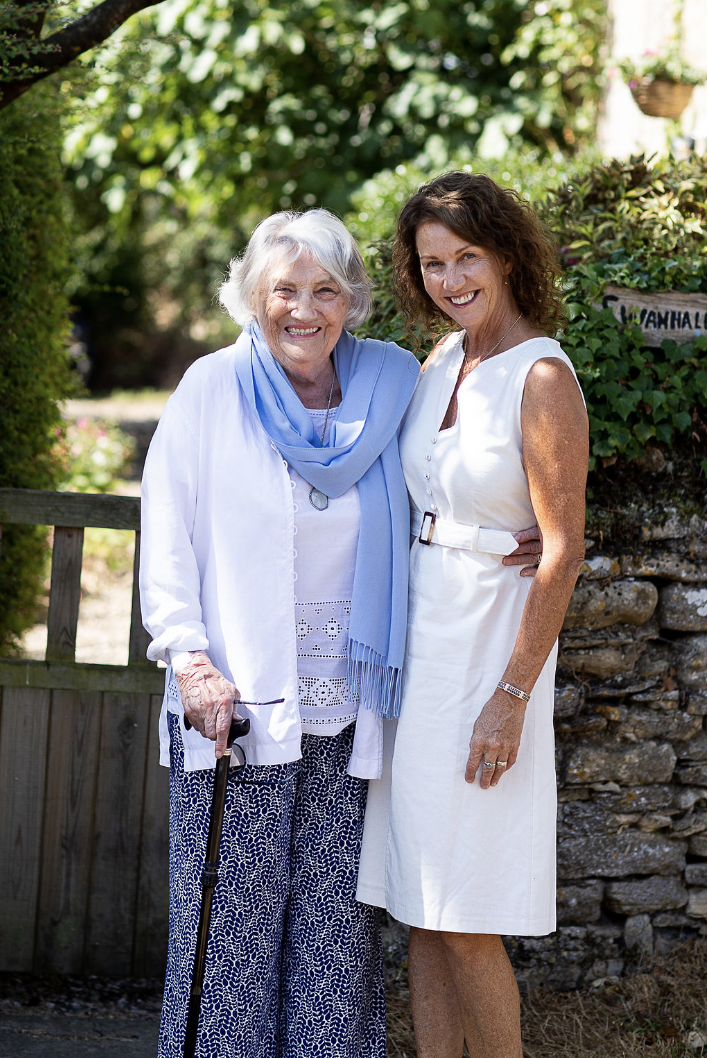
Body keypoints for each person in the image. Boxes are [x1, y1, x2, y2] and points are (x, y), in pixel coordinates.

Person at [140, 206, 543, 1058]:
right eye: (285, 289)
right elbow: (166, 533)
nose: (304, 309)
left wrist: (531, 527)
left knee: (334, 947)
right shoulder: (213, 388)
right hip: (235, 713)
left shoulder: (391, 385)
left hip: (351, 712)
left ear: (352, 301)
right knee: (230, 942)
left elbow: (449, 476)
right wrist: (190, 660)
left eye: (326, 291)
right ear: (253, 295)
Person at [360, 173, 589, 1058]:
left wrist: (511, 696)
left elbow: (561, 550)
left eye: (467, 258)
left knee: (465, 915)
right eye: (433, 265)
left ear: (506, 257)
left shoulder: (542, 377)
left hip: (490, 651)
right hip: (423, 645)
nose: (451, 280)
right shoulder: (441, 361)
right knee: (419, 905)